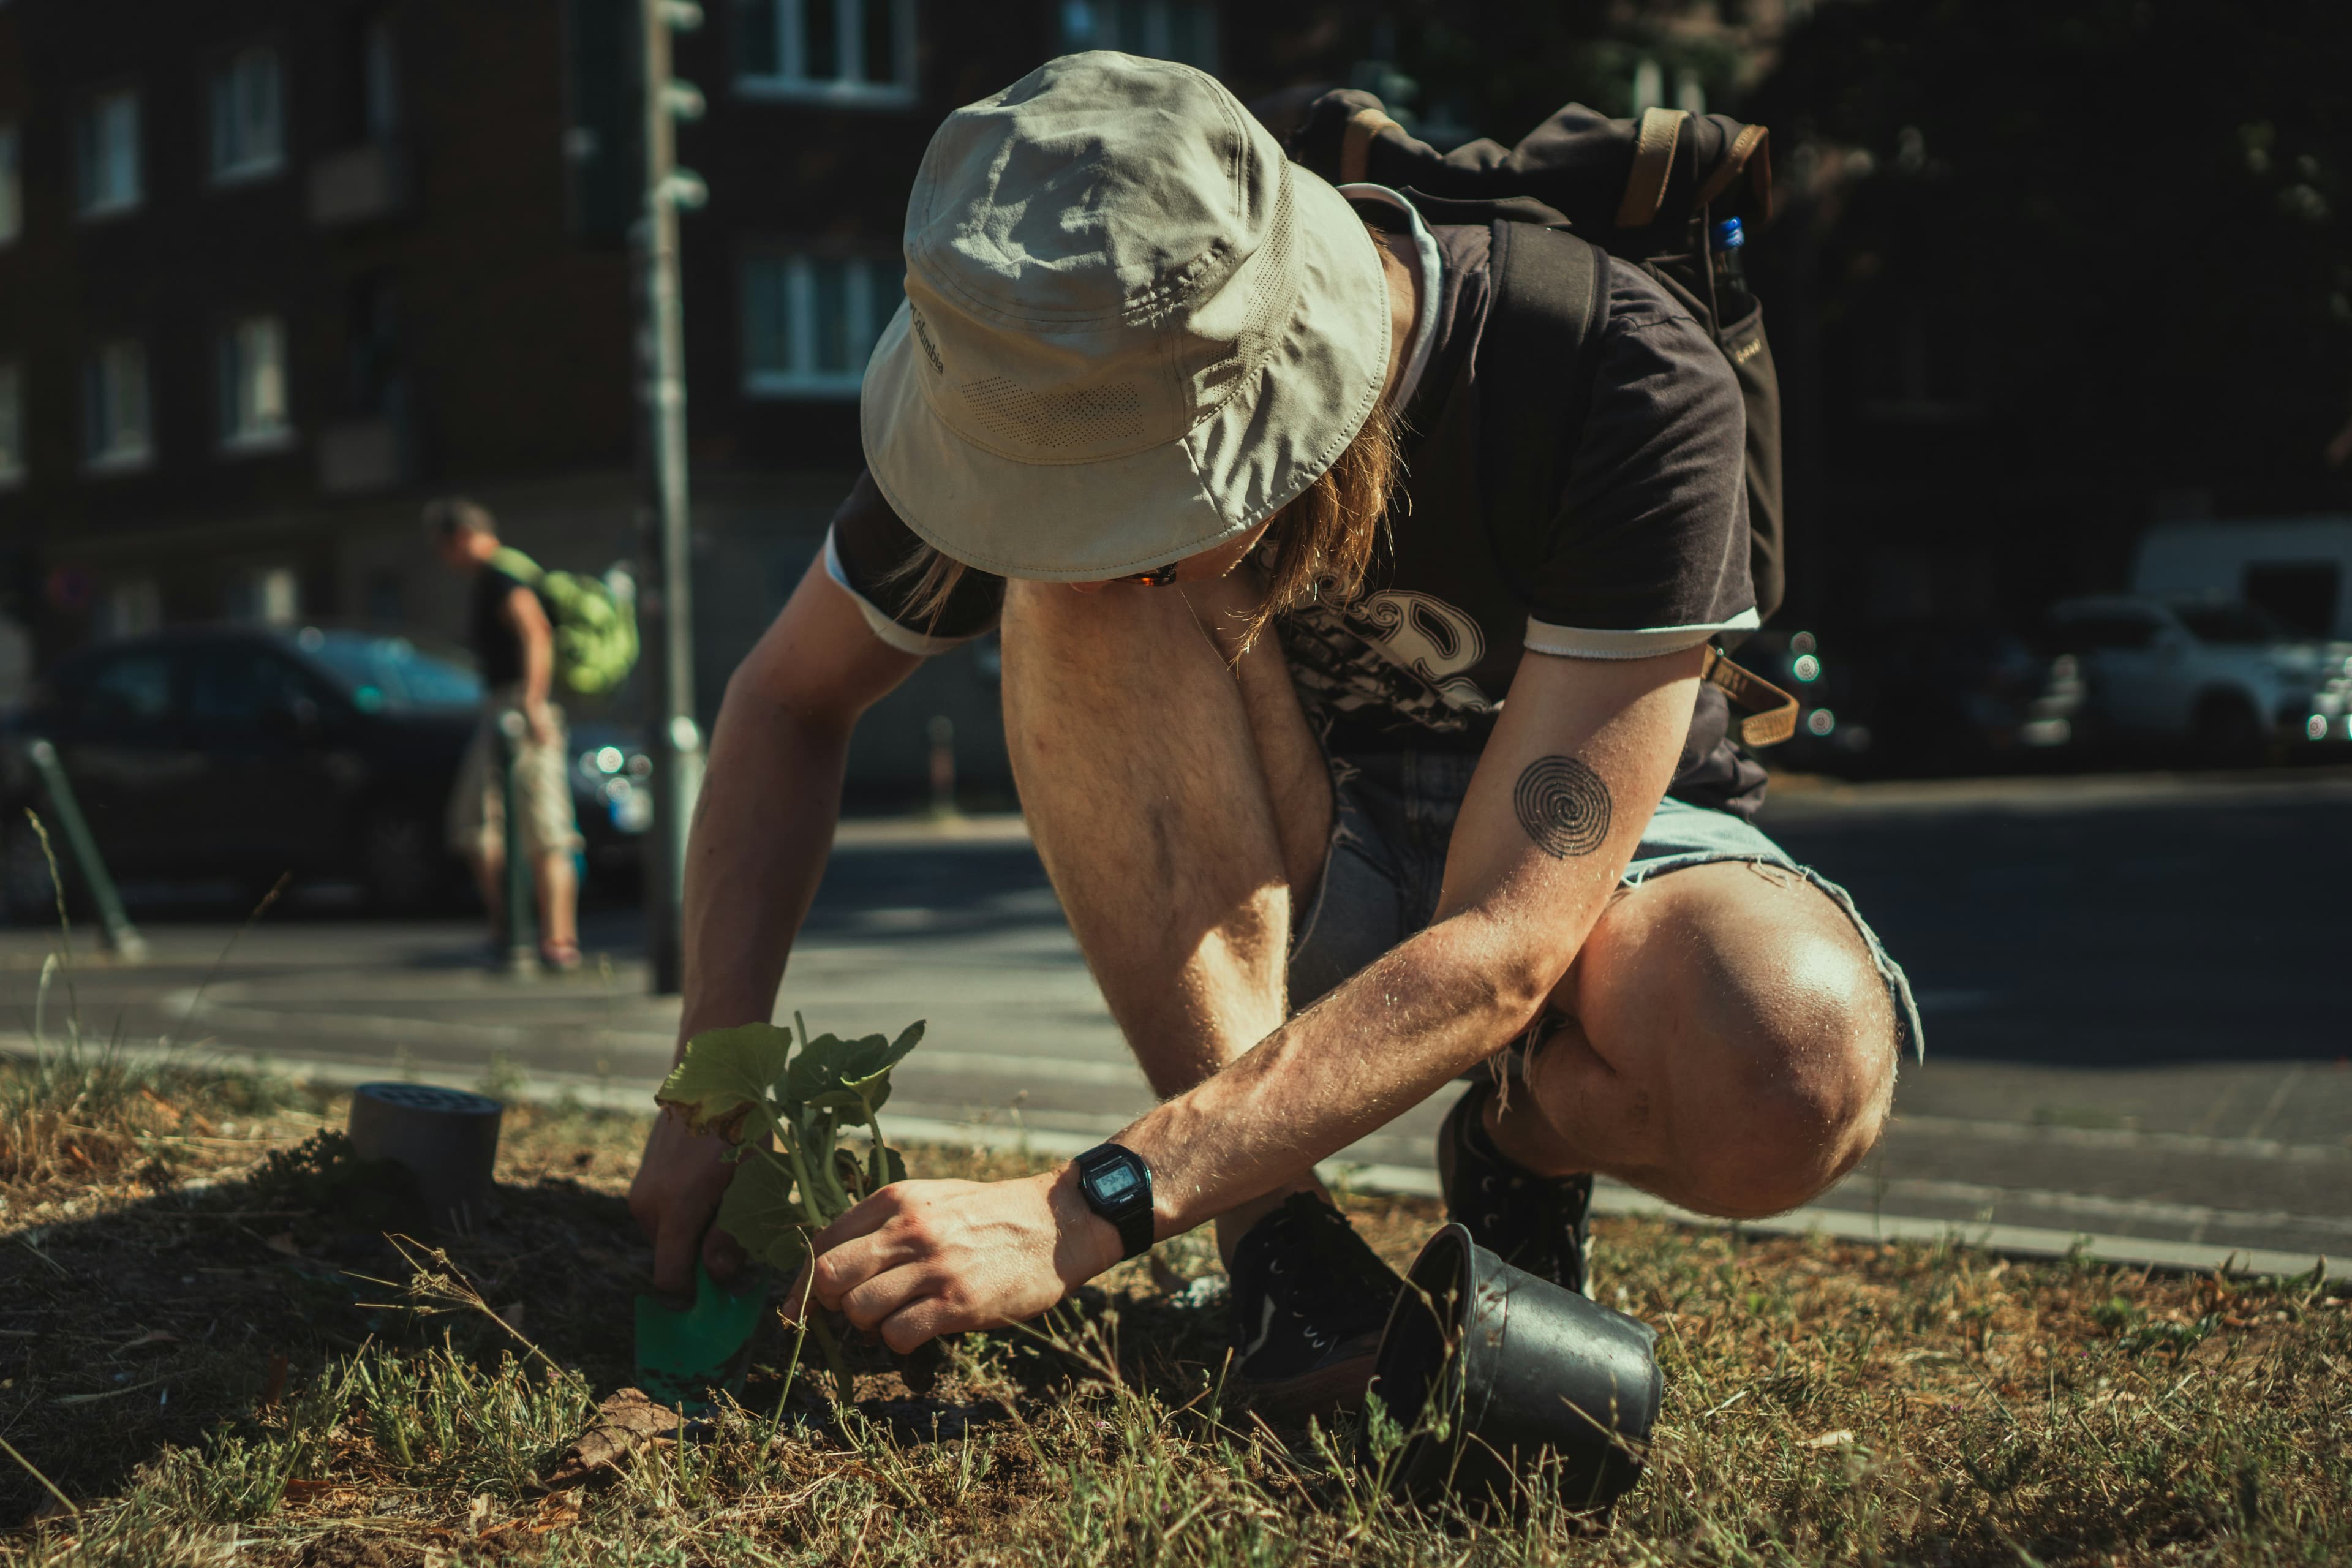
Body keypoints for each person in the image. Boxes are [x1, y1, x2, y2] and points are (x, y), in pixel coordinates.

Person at [629, 54, 1923, 1413]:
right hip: (1302, 829)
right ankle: (1277, 1249)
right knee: (1075, 597)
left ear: (1285, 376)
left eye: (1142, 497)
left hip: (1597, 850)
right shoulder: (1037, 379)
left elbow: (1505, 940)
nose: (1104, 534)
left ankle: (1519, 1147)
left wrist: (1082, 1208)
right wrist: (707, 1091)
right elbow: (785, 699)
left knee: (1794, 1065)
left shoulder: (1616, 374)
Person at [426, 497, 584, 971]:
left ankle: (556, 940)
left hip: (519, 706)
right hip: (506, 706)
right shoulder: (494, 575)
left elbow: (536, 632)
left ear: (458, 538)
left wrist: (533, 702)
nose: (443, 560)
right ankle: (512, 929)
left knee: (545, 826)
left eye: (441, 548)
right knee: (477, 825)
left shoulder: (501, 574)